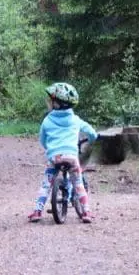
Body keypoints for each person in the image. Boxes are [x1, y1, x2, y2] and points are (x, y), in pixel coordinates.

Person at [27, 82, 98, 224]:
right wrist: (91, 139)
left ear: (56, 104)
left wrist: (50, 149)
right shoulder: (76, 120)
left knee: (46, 184)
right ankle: (86, 212)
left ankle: (37, 211)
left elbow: (42, 139)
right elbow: (92, 133)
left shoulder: (47, 120)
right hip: (71, 156)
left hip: (55, 157)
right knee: (78, 183)